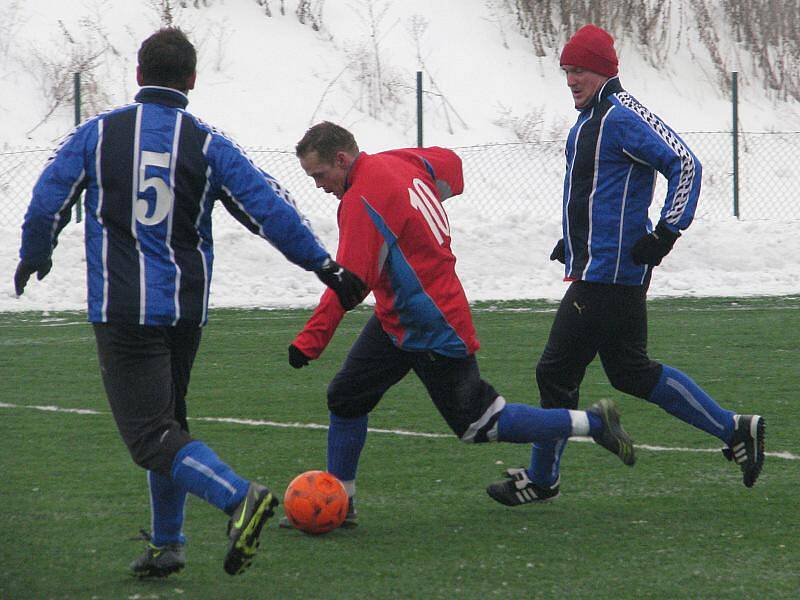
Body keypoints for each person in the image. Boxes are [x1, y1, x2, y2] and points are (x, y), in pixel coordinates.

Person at [13, 28, 364, 578]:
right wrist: (323, 265)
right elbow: (268, 208)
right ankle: (168, 543)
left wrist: (36, 252)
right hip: (184, 312)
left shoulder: (99, 134)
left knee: (150, 435)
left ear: (137, 76)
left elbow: (46, 199)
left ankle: (240, 498)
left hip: (124, 309)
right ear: (192, 81)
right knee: (169, 424)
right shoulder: (206, 142)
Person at [283, 120, 636, 523]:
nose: (318, 185)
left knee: (480, 423)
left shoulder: (362, 198)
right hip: (398, 318)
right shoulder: (396, 162)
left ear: (342, 160)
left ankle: (593, 422)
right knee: (345, 397)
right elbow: (450, 165)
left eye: (320, 175)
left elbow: (350, 283)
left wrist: (309, 342)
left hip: (433, 324)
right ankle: (339, 504)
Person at [528, 24, 765, 501]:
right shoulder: (590, 119)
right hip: (601, 266)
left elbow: (685, 163)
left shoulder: (618, 114)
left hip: (612, 273)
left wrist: (666, 232)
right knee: (631, 372)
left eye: (581, 70)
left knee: (554, 373)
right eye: (567, 71)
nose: (571, 79)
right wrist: (572, 242)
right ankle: (734, 429)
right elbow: (600, 195)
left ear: (604, 71)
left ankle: (542, 479)